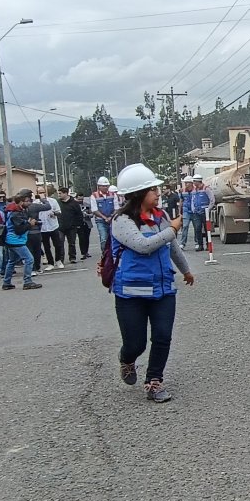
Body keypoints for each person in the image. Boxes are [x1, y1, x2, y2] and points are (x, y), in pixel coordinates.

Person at [109, 163, 194, 403]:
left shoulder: (160, 217)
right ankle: (127, 360)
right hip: (131, 294)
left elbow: (172, 247)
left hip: (163, 289)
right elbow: (143, 246)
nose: (158, 194)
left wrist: (186, 271)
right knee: (135, 343)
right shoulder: (122, 220)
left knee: (163, 336)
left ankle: (154, 381)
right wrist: (173, 230)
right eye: (152, 190)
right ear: (138, 194)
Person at [2, 188, 43, 290]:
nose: (29, 203)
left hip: (11, 240)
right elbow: (19, 230)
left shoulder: (16, 211)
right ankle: (27, 281)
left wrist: (30, 222)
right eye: (27, 201)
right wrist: (30, 224)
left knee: (11, 261)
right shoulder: (15, 213)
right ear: (21, 202)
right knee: (29, 259)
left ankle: (6, 283)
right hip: (16, 240)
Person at [40, 184, 65, 271]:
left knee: (57, 244)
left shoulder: (53, 201)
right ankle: (50, 263)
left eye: (43, 192)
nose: (41, 194)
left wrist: (54, 214)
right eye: (40, 192)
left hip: (53, 226)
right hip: (43, 228)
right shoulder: (35, 203)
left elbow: (59, 212)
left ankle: (58, 260)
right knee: (46, 246)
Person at [58, 187, 84, 263]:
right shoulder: (58, 203)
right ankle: (60, 259)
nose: (59, 195)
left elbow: (79, 214)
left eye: (60, 193)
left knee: (72, 243)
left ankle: (72, 257)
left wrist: (77, 224)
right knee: (60, 243)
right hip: (60, 227)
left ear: (65, 193)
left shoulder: (74, 203)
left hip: (72, 227)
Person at [91, 176, 117, 250]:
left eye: (106, 186)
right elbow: (94, 210)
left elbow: (116, 208)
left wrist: (111, 217)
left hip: (112, 220)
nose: (105, 187)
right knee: (103, 238)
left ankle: (113, 255)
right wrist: (105, 218)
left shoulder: (113, 195)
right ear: (99, 186)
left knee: (113, 238)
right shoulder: (94, 195)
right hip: (100, 221)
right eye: (103, 186)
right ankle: (104, 255)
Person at [189, 176, 212, 251]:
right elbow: (193, 200)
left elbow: (212, 199)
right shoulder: (194, 190)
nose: (193, 183)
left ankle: (208, 245)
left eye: (194, 181)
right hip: (196, 212)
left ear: (198, 181)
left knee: (207, 229)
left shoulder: (206, 189)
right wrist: (193, 209)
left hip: (205, 212)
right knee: (198, 228)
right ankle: (200, 245)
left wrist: (208, 209)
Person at [178, 177, 194, 249]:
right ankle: (183, 243)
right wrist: (179, 211)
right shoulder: (182, 191)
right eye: (185, 183)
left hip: (194, 211)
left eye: (187, 182)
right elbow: (181, 201)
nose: (185, 184)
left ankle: (197, 243)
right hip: (186, 211)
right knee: (185, 226)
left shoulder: (195, 190)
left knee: (197, 227)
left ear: (191, 183)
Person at [77, 191, 94, 259]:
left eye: (82, 199)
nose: (80, 201)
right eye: (79, 199)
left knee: (86, 238)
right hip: (79, 224)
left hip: (87, 223)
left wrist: (87, 215)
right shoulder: (75, 205)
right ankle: (83, 252)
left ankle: (86, 252)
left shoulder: (87, 205)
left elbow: (92, 214)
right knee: (81, 238)